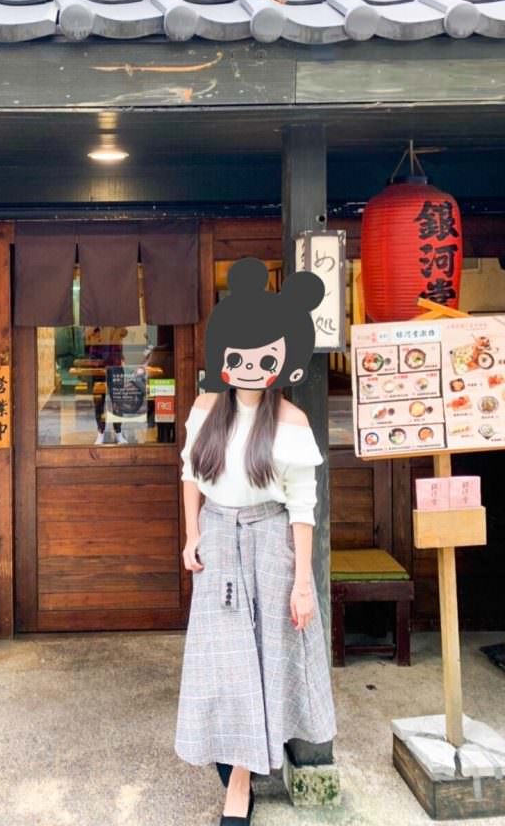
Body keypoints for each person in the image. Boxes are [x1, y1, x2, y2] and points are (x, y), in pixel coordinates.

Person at [174, 259, 337, 825]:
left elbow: (303, 507)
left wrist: (302, 583)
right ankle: (238, 762)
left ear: (284, 362)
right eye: (239, 358)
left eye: (265, 359)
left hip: (270, 542)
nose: (249, 369)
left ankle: (239, 783)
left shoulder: (291, 421)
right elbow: (190, 476)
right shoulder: (204, 409)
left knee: (264, 659)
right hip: (219, 540)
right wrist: (192, 535)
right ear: (221, 355)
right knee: (225, 660)